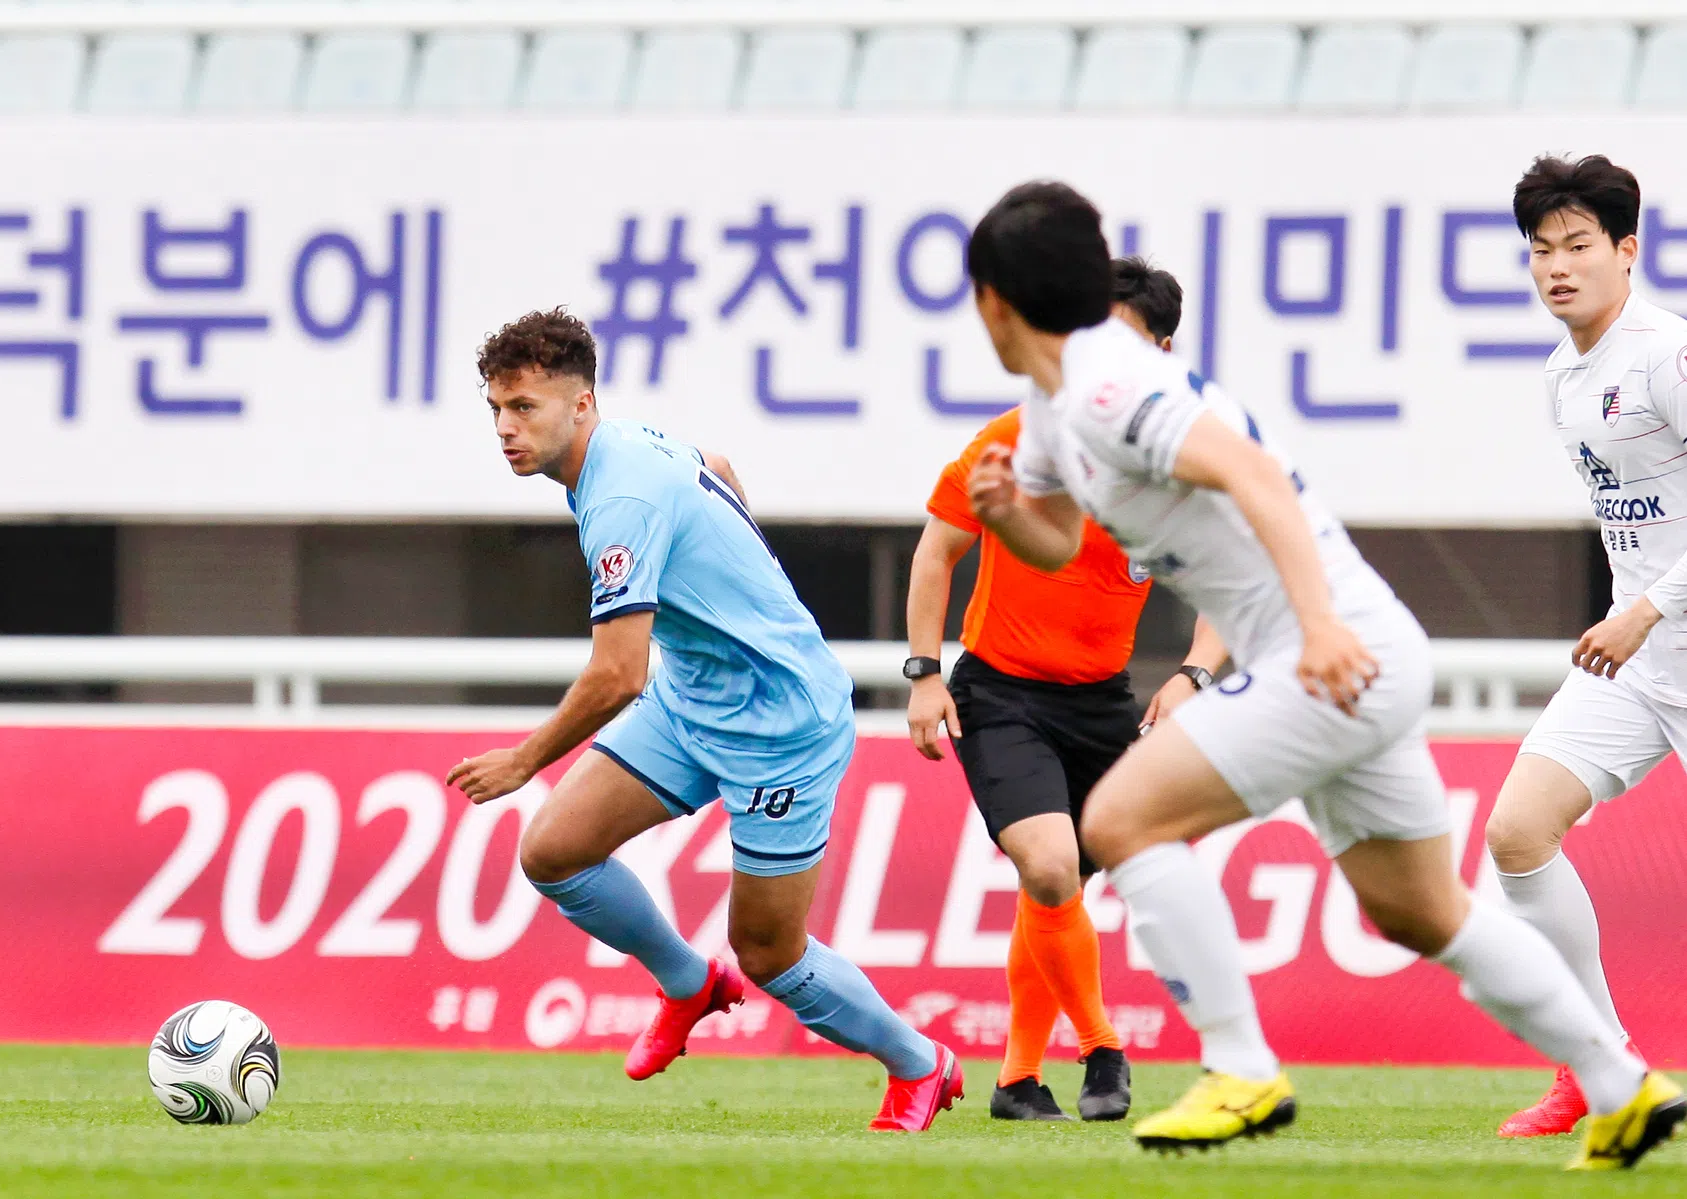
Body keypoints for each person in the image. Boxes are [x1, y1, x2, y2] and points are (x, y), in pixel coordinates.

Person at [961, 180, 1680, 1169]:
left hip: (1327, 649)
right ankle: (1618, 1084)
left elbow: (1253, 476)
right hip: (1347, 649)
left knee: (1121, 821)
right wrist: (1004, 514)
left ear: (992, 301)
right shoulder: (1054, 403)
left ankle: (1239, 1066)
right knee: (1422, 906)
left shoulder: (1108, 386)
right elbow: (1052, 541)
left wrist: (1310, 629)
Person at [446, 308, 961, 1132]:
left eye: (525, 408)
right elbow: (715, 465)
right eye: (496, 409)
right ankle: (690, 982)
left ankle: (919, 1063)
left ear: (581, 405)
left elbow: (617, 673)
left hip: (780, 724)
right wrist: (735, 590)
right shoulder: (624, 448)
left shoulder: (615, 494)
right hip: (694, 698)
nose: (506, 428)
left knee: (769, 952)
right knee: (553, 851)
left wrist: (524, 759)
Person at [905, 257, 1225, 1123]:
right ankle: (1101, 1046)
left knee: (1058, 888)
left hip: (1101, 703)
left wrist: (1194, 675)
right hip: (1000, 693)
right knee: (1048, 867)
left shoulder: (1179, 462)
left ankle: (1015, 1079)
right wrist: (925, 672)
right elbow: (937, 549)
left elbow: (1233, 589)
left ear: (1162, 353)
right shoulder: (1018, 435)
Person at [1486, 154, 1687, 1139]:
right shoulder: (1562, 375)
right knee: (1514, 832)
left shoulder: (1665, 356)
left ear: (1624, 252)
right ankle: (1596, 1066)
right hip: (1634, 660)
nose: (1556, 266)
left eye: (1576, 246)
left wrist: (1648, 605)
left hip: (1658, 629)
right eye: (1539, 250)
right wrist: (1636, 616)